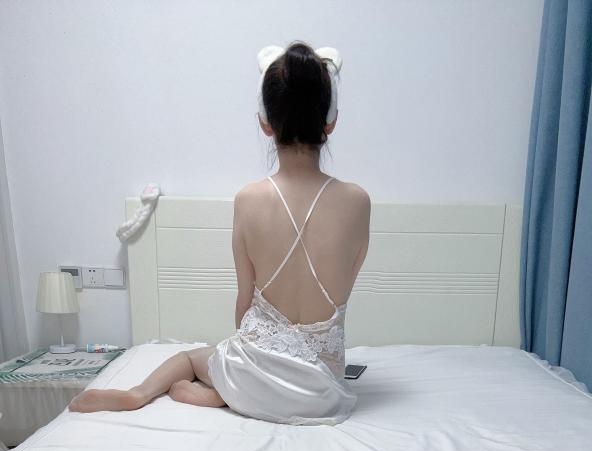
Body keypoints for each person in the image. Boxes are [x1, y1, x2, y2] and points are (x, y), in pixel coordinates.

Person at [69, 40, 371, 425]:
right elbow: (342, 295)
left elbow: (243, 308)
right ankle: (225, 396)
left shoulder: (248, 200)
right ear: (331, 121)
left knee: (192, 357)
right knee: (281, 366)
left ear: (265, 122)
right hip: (321, 393)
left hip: (253, 376)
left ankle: (141, 394)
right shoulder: (358, 202)